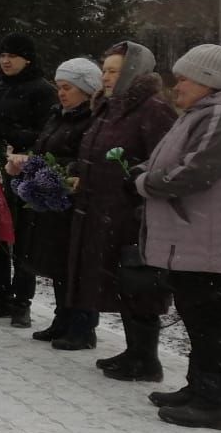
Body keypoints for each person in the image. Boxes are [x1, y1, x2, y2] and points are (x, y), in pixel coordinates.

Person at [136, 44, 221, 430]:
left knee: (209, 321)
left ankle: (215, 403)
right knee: (196, 316)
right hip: (198, 239)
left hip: (212, 242)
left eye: (184, 78)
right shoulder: (201, 113)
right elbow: (170, 161)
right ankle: (198, 388)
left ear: (208, 81)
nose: (176, 85)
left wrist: (143, 183)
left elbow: (195, 172)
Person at [62, 41, 176, 361]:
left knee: (137, 282)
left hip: (131, 213)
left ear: (133, 71)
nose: (106, 77)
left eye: (114, 70)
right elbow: (96, 151)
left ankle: (144, 357)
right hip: (102, 210)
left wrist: (134, 186)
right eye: (105, 71)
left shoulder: (153, 108)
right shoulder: (108, 106)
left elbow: (164, 159)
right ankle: (134, 353)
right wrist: (78, 171)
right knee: (119, 281)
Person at [9, 58, 101, 341]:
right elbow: (43, 149)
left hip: (74, 202)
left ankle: (82, 326)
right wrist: (26, 164)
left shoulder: (91, 120)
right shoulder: (57, 115)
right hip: (52, 201)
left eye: (68, 88)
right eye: (59, 87)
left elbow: (84, 159)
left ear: (86, 91)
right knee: (58, 263)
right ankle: (63, 318)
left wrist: (56, 170)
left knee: (76, 267)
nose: (61, 93)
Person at [0, 33, 56, 326]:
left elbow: (44, 134)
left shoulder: (43, 91)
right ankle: (0, 294)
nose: (6, 61)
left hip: (24, 175)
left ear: (27, 59)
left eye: (13, 56)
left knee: (22, 239)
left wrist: (6, 134)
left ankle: (22, 302)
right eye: (3, 55)